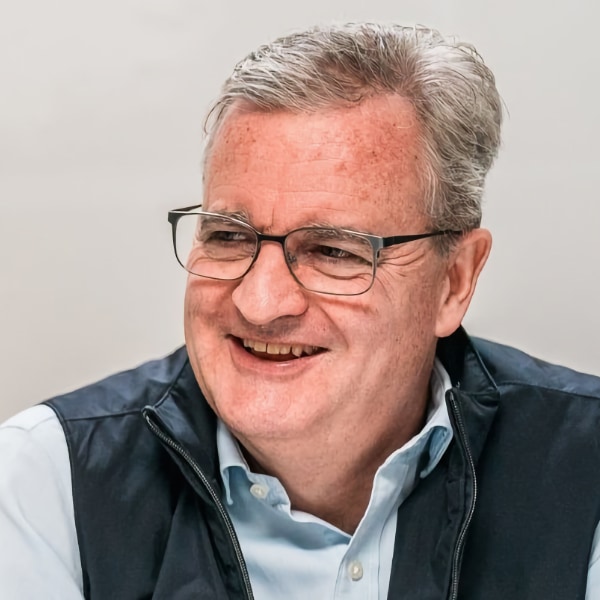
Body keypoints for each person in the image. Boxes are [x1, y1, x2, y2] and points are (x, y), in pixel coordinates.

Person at [1, 21, 599, 600]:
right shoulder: (46, 481)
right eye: (229, 237)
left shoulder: (587, 473)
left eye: (332, 251)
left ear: (454, 281)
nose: (259, 303)